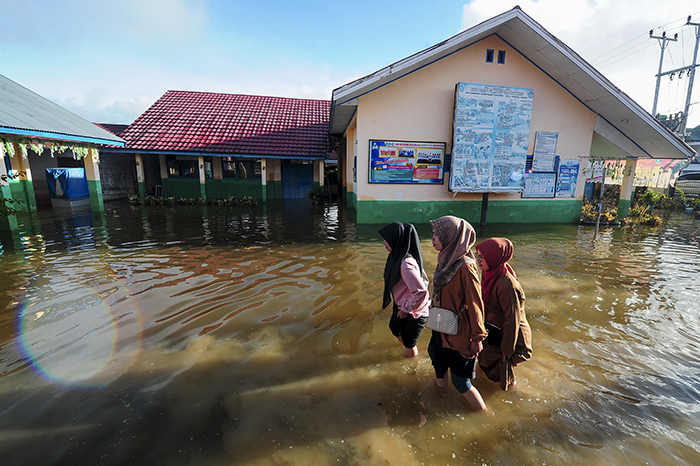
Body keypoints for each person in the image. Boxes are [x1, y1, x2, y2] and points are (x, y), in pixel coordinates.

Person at [427, 215, 487, 412]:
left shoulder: (466, 267)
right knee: (439, 369)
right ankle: (439, 404)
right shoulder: (444, 260)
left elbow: (475, 304)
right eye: (434, 233)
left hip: (459, 335)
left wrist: (477, 338)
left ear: (451, 237)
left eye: (437, 234)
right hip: (440, 327)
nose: (433, 238)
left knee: (462, 383)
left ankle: (485, 417)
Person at [474, 237, 533, 391]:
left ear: (494, 257)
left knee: (503, 372)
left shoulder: (506, 284)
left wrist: (506, 351)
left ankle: (512, 396)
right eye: (477, 256)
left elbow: (512, 320)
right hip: (495, 329)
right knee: (486, 364)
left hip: (511, 336)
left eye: (482, 257)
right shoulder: (490, 273)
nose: (478, 260)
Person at [379, 222, 431, 358]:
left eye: (387, 239)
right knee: (394, 328)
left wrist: (405, 310)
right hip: (403, 304)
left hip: (414, 311)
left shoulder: (406, 264)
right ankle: (411, 343)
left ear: (396, 240)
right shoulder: (396, 255)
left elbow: (421, 292)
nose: (384, 242)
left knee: (409, 344)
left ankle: (412, 365)